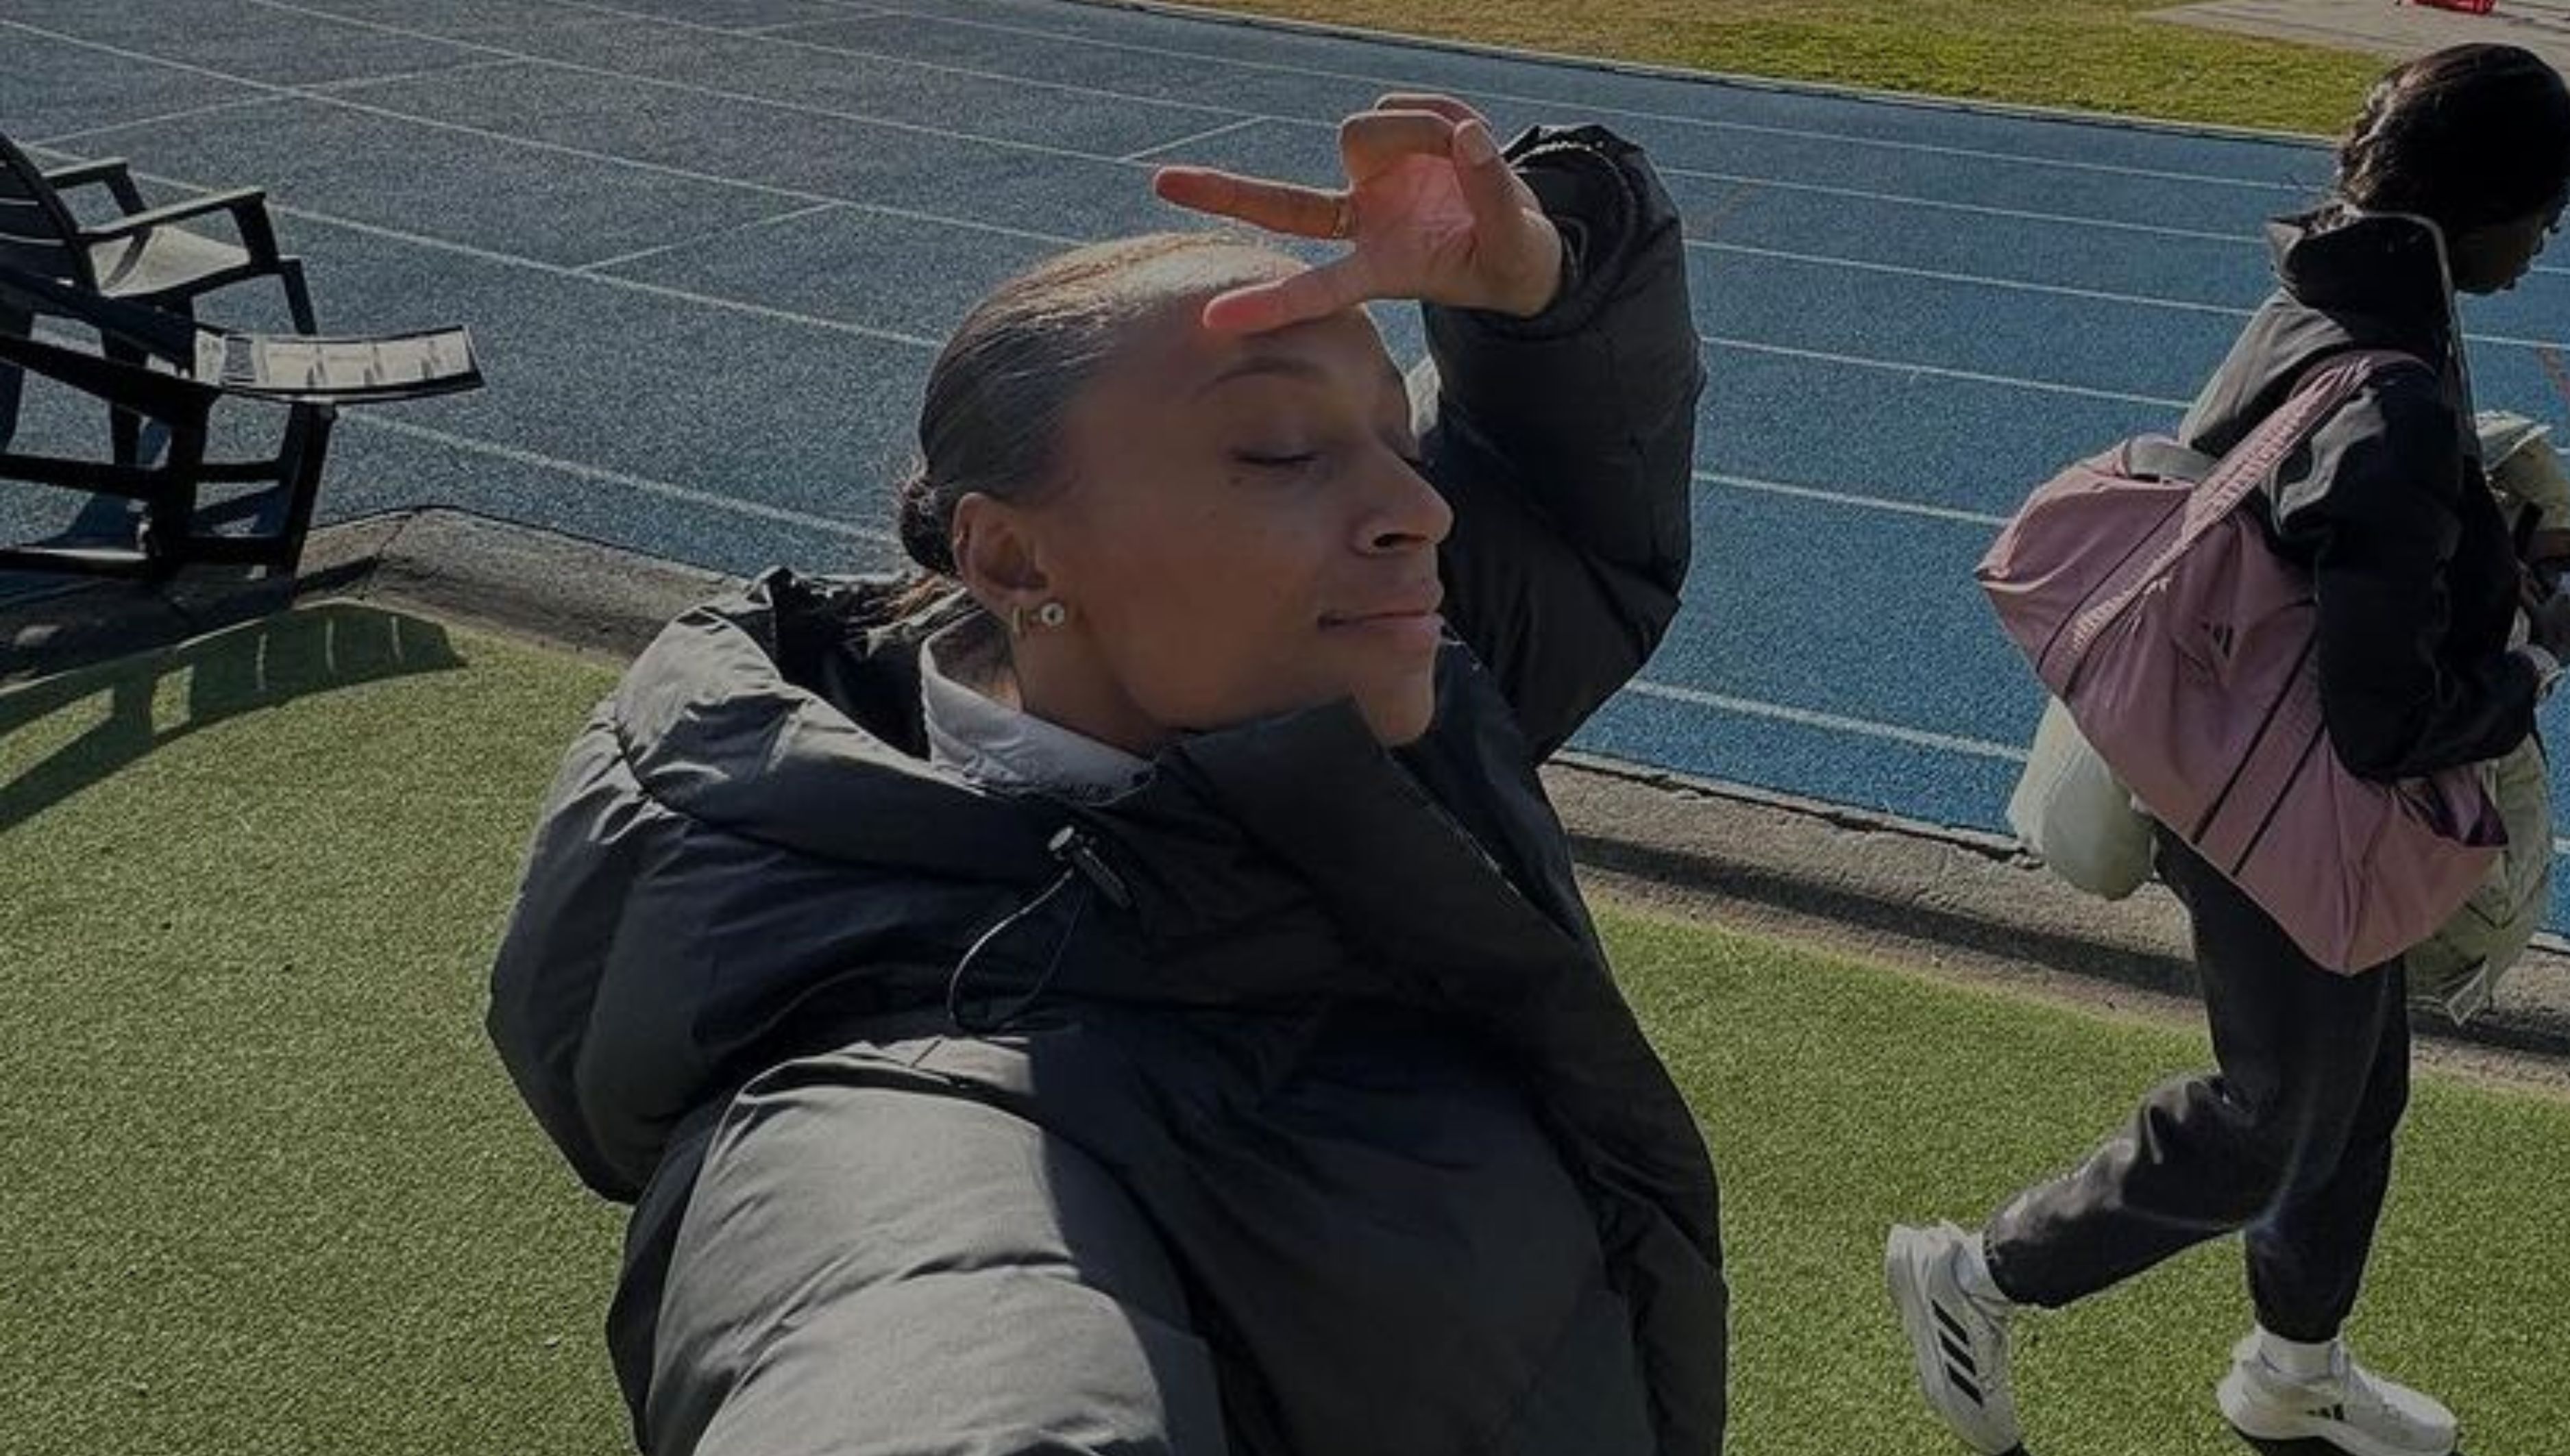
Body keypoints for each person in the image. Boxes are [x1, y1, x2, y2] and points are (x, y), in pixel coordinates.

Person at [487, 95, 1724, 1455]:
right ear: (1016, 561)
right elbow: (929, 1331)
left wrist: (1534, 288)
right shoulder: (910, 1111)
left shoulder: (1315, 693)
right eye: (1279, 450)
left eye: (1398, 438)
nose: (1419, 509)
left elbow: (1565, 517)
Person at [1888, 43, 2570, 1456]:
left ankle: (2293, 1368)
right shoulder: (2397, 396)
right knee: (2272, 1117)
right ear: (2489, 198)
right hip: (2288, 809)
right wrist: (2538, 653)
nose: (2554, 231)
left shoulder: (2336, 295)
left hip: (2228, 750)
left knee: (2356, 1093)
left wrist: (2491, 552)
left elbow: (2307, 533)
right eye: (2549, 202)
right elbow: (2383, 720)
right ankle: (1981, 1271)